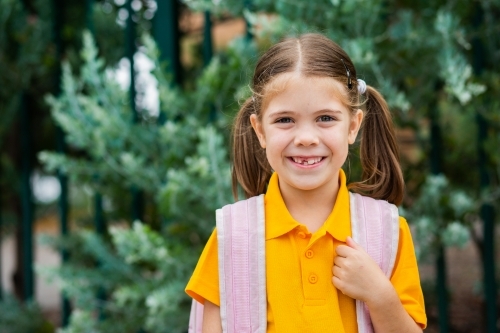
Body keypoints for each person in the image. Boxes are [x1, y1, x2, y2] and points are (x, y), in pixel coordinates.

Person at [185, 33, 426, 333]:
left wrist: (379, 295)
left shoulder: (386, 231)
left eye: (325, 118)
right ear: (260, 131)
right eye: (285, 120)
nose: (306, 138)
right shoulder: (233, 236)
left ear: (353, 126)